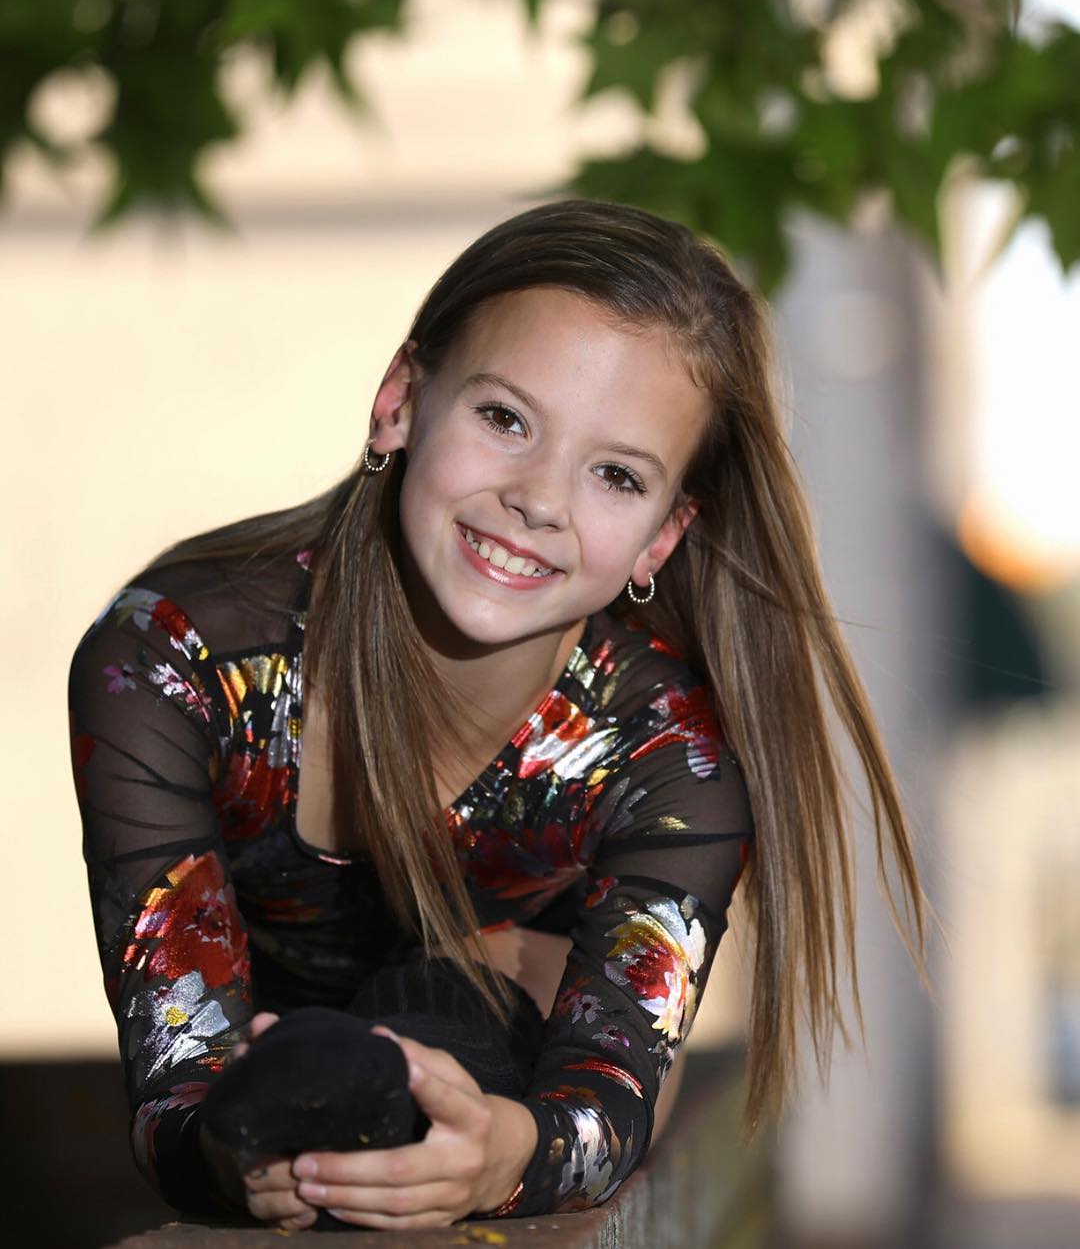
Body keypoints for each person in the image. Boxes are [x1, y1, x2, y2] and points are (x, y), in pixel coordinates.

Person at [68, 199, 929, 1232]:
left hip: (507, 1035)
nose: (540, 498)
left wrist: (502, 1154)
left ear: (662, 537)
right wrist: (237, 1147)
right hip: (276, 1074)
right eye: (506, 419)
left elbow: (607, 1098)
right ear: (400, 401)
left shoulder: (669, 752)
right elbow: (175, 1088)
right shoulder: (173, 661)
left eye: (616, 475)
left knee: (465, 1000)